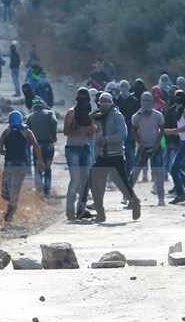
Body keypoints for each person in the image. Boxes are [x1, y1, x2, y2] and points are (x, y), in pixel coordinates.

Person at [89, 92, 141, 222]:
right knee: (93, 183)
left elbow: (122, 135)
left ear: (111, 102)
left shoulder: (117, 116)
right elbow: (91, 121)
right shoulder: (98, 116)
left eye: (106, 101)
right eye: (101, 101)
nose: (103, 103)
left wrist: (105, 140)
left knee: (122, 184)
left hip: (116, 155)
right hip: (101, 156)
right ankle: (100, 214)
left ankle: (135, 202)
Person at [0, 111, 45, 223]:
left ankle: (9, 212)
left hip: (10, 163)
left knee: (6, 192)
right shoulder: (26, 131)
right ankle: (10, 215)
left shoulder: (6, 131)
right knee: (16, 189)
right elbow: (36, 146)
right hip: (23, 163)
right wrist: (41, 162)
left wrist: (7, 153)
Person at [64, 88, 97, 220]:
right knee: (76, 179)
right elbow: (66, 131)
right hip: (73, 148)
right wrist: (82, 129)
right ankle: (70, 210)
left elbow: (91, 133)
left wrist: (91, 130)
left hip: (86, 148)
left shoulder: (90, 114)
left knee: (87, 179)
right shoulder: (71, 112)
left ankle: (81, 209)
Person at [130, 92, 166, 206]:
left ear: (152, 102)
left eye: (149, 100)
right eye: (144, 100)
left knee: (159, 173)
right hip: (143, 148)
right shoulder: (136, 117)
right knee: (135, 172)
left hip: (156, 147)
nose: (146, 103)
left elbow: (162, 131)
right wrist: (139, 143)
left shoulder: (158, 115)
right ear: (141, 101)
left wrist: (156, 144)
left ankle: (161, 199)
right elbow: (134, 132)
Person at [26, 99, 58, 196]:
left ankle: (39, 192)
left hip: (37, 146)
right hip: (49, 145)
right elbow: (54, 122)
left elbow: (27, 130)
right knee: (48, 168)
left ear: (34, 107)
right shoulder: (49, 113)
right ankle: (47, 191)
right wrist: (53, 135)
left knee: (38, 168)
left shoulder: (31, 116)